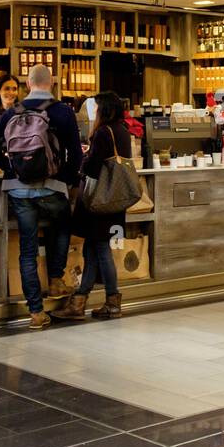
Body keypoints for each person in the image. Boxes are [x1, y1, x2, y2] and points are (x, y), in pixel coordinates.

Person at [0, 64, 82, 328]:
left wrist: (10, 168)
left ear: (27, 84)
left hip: (18, 189)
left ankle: (36, 313)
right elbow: (76, 153)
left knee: (27, 250)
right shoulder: (62, 111)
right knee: (62, 224)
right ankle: (56, 280)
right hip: (52, 187)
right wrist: (66, 180)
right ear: (51, 83)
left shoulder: (12, 112)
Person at [63, 91, 132, 321]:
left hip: (99, 201)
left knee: (101, 250)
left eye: (96, 107)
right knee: (92, 250)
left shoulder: (103, 132)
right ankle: (81, 301)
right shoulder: (122, 130)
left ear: (105, 110)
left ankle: (112, 302)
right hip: (114, 200)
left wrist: (83, 160)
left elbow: (93, 167)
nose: (93, 111)